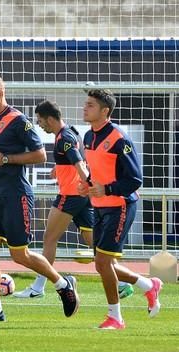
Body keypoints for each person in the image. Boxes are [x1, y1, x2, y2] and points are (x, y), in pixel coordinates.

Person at [0, 74, 79, 322]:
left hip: (15, 196)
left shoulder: (18, 120)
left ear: (0, 93)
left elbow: (40, 154)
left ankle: (62, 283)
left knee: (20, 255)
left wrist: (6, 159)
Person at [15, 100, 134, 299]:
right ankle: (124, 283)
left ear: (50, 119)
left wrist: (87, 182)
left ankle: (38, 287)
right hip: (82, 196)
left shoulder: (64, 138)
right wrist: (61, 169)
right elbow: (83, 158)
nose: (39, 124)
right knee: (95, 244)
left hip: (71, 195)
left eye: (40, 120)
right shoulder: (71, 133)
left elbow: (80, 164)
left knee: (49, 239)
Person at [79, 89, 162, 329]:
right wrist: (88, 185)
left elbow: (135, 179)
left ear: (105, 111)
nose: (85, 108)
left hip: (121, 205)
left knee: (103, 263)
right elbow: (97, 172)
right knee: (105, 263)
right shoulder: (88, 137)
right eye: (86, 103)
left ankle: (115, 317)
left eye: (91, 105)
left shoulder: (119, 139)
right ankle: (149, 286)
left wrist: (107, 189)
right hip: (100, 206)